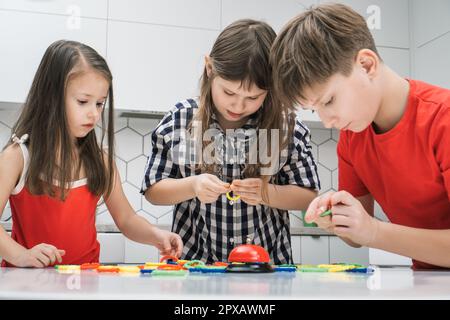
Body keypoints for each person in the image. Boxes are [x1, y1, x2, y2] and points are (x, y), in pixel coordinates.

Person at [270, 3, 450, 269]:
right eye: (315, 109)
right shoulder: (353, 136)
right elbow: (356, 238)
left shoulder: (442, 119)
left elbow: (370, 232)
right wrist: (339, 218)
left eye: (329, 100)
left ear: (366, 65)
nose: (327, 121)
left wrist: (374, 232)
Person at [142, 19, 319, 264]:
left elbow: (309, 196)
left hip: (268, 268)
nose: (238, 105)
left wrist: (267, 193)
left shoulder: (288, 126)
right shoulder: (181, 119)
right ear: (209, 68)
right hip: (194, 265)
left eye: (253, 97)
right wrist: (192, 185)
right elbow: (153, 190)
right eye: (229, 92)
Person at [0, 40, 183, 268]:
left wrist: (157, 236)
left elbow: (126, 220)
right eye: (83, 102)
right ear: (51, 97)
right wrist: (20, 255)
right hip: (27, 282)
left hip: (85, 282)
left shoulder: (101, 161)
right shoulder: (18, 156)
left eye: (99, 103)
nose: (94, 114)